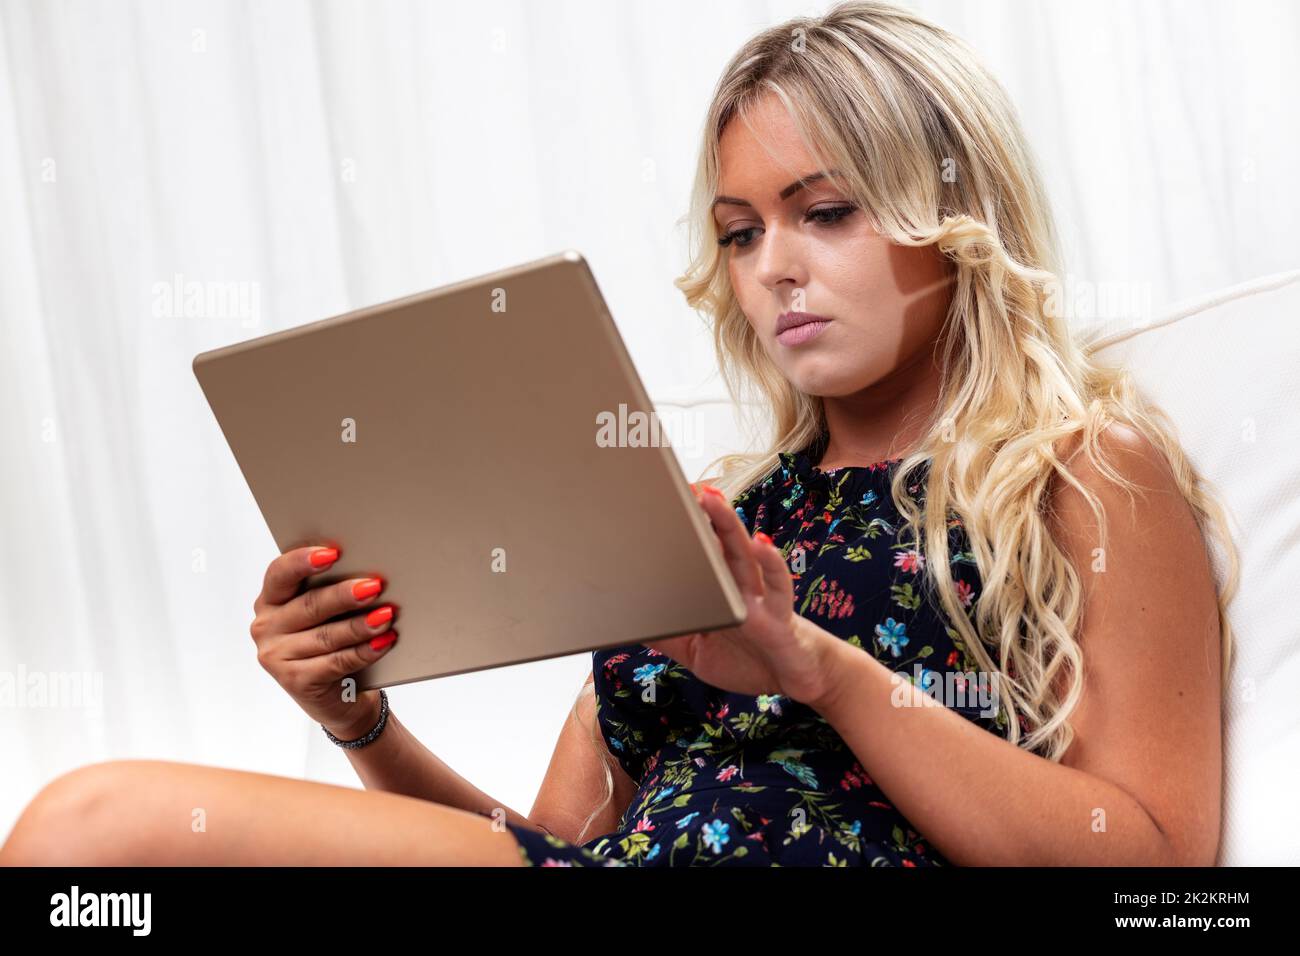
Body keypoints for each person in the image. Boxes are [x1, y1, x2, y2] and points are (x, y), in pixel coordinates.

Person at [0, 0, 1237, 867]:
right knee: (81, 849)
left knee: (94, 832)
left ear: (948, 218)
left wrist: (820, 669)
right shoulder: (717, 517)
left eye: (825, 212)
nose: (775, 270)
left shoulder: (1081, 468)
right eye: (742, 231)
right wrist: (358, 721)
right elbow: (553, 844)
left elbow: (1153, 866)